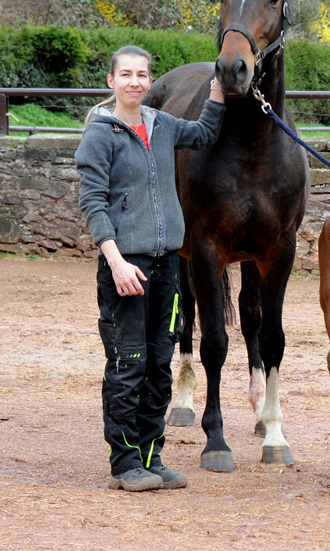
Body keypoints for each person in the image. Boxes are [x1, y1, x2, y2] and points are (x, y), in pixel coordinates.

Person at [75, 45, 226, 492]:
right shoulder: (101, 133)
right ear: (111, 81)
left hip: (166, 266)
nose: (136, 82)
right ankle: (124, 463)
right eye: (126, 75)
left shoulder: (162, 125)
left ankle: (151, 456)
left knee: (160, 363)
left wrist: (218, 90)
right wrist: (115, 259)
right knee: (128, 363)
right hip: (126, 265)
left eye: (142, 74)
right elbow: (93, 202)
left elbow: (203, 134)